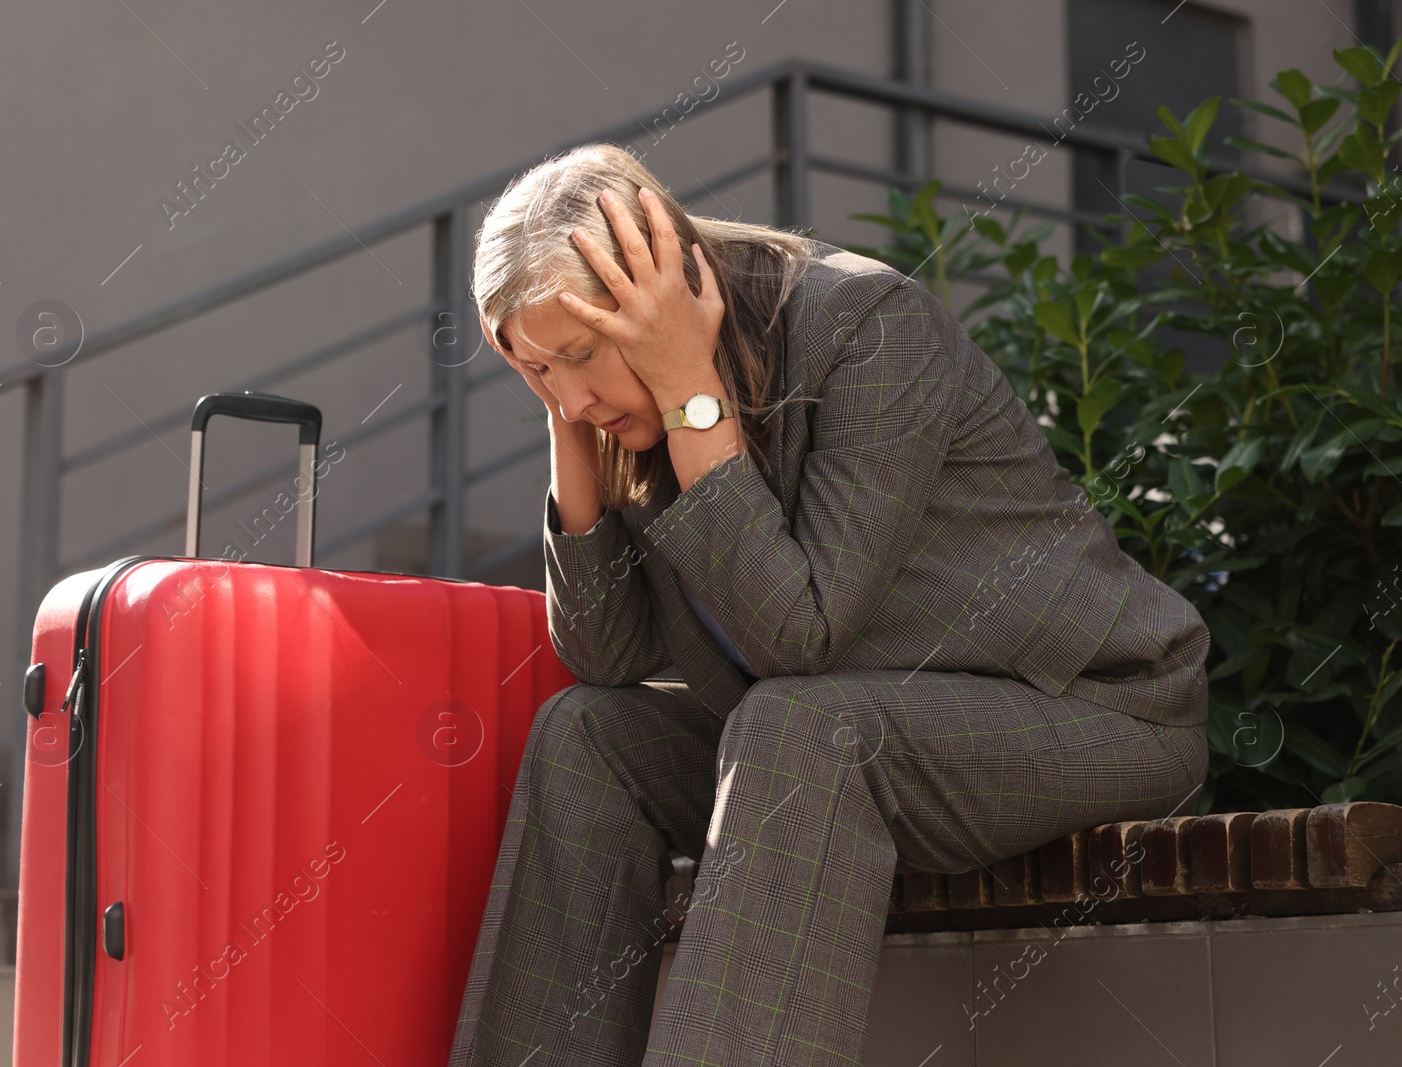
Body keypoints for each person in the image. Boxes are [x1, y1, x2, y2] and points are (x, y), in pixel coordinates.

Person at [448, 142, 1209, 1067]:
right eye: (537, 372)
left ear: (661, 286)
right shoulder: (618, 407)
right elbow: (604, 656)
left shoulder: (865, 324)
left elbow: (793, 640)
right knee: (586, 736)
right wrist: (572, 429)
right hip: (868, 718)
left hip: (1087, 707)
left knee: (799, 723)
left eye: (580, 356)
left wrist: (691, 395)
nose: (572, 392)